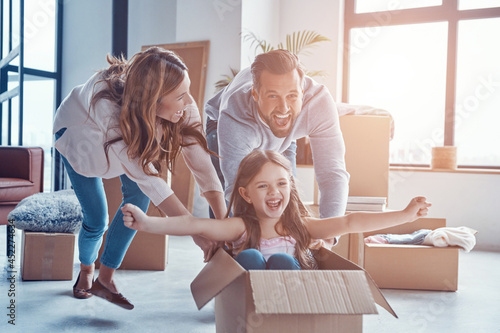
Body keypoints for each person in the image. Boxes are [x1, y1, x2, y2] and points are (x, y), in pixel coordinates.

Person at [53, 47, 226, 309]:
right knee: (97, 220)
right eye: (180, 96)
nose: (189, 102)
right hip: (79, 142)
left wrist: (222, 224)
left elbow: (202, 164)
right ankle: (87, 269)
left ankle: (106, 280)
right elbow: (150, 180)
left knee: (138, 203)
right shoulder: (109, 112)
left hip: (125, 145)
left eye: (187, 91)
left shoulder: (181, 107)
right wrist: (196, 231)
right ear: (153, 100)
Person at [122, 150, 431, 271]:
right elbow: (195, 225)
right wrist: (148, 223)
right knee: (251, 257)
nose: (274, 193)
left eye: (282, 184)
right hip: (250, 309)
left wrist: (404, 216)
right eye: (263, 186)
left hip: (289, 307)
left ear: (290, 187)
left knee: (283, 258)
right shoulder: (241, 226)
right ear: (245, 193)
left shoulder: (302, 228)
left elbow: (351, 221)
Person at [205, 49, 393, 224]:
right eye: (273, 96)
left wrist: (327, 235)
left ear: (302, 92)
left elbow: (332, 173)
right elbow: (237, 189)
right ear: (255, 94)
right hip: (222, 126)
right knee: (228, 211)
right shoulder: (235, 114)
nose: (284, 108)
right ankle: (222, 251)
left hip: (284, 135)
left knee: (287, 198)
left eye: (292, 96)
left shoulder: (318, 103)